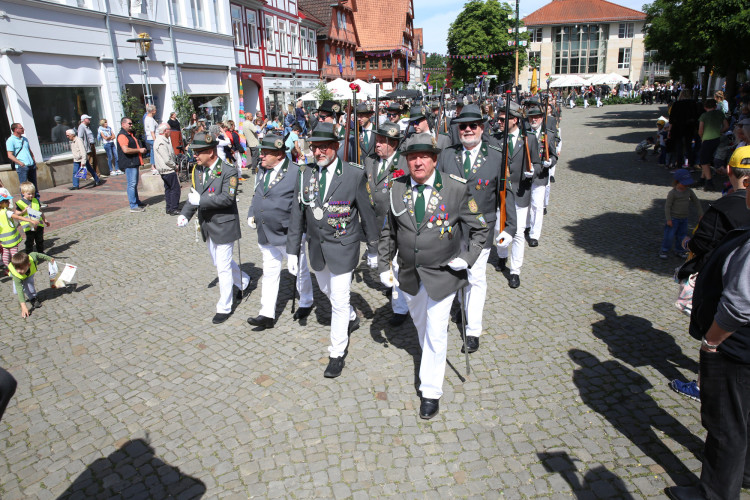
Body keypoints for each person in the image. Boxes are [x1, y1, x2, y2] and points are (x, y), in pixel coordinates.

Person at [378, 133, 489, 419]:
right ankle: (430, 358)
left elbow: (480, 229)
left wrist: (466, 259)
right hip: (409, 276)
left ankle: (430, 391)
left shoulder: (455, 188)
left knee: (437, 332)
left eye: (424, 156)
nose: (418, 162)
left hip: (443, 275)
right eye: (413, 157)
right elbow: (389, 230)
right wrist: (382, 265)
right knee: (422, 326)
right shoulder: (396, 188)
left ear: (435, 159)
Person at [664, 161, 750, 500]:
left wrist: (712, 341)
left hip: (735, 346)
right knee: (742, 418)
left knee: (725, 425)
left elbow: (740, 304)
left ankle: (713, 494)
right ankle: (743, 472)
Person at [285, 123, 378, 379]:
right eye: (315, 147)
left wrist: (373, 247)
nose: (319, 152)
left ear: (336, 146)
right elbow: (297, 215)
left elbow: (368, 215)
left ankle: (336, 353)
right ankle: (350, 315)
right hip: (316, 247)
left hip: (343, 245)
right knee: (326, 290)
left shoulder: (353, 174)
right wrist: (292, 251)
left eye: (324, 146)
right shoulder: (305, 175)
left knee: (338, 298)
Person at [670, 147, 750, 401]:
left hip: (726, 290)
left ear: (729, 170)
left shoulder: (725, 207)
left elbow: (702, 243)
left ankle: (703, 386)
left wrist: (687, 245)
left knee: (715, 341)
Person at [438, 105, 515, 353]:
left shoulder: (496, 155)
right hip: (450, 228)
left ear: (482, 128)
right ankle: (461, 306)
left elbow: (507, 193)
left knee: (476, 277)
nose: (468, 130)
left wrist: (510, 227)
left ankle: (473, 331)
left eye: (473, 126)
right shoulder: (447, 155)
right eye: (463, 126)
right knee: (455, 274)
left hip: (481, 228)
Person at [177, 131, 250, 323]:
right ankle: (243, 280)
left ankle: (224, 307)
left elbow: (227, 197)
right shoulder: (198, 170)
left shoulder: (228, 170)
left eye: (198, 152)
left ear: (210, 152)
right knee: (218, 262)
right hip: (207, 224)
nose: (195, 156)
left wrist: (201, 200)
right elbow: (194, 195)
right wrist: (185, 214)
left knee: (223, 267)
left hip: (225, 223)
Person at [246, 135, 314, 329]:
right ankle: (266, 313)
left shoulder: (296, 172)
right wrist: (252, 213)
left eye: (266, 153)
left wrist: (301, 230)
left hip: (288, 233)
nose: (261, 156)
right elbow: (256, 194)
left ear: (278, 154)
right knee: (269, 273)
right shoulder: (262, 170)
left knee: (299, 270)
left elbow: (302, 204)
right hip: (266, 232)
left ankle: (306, 301)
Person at [362, 122, 410, 325]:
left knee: (397, 264)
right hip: (375, 221)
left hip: (397, 222)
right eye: (377, 140)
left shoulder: (404, 163)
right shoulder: (370, 160)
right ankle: (392, 286)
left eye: (382, 141)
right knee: (384, 261)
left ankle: (400, 309)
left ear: (394, 143)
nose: (377, 144)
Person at [493, 102, 541, 289]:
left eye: (503, 119)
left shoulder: (528, 139)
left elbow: (536, 163)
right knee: (499, 228)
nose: (499, 122)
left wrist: (533, 171)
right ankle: (502, 256)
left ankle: (515, 271)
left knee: (519, 232)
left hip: (520, 191)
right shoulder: (495, 139)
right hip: (501, 192)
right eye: (498, 119)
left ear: (515, 120)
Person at [526, 105, 557, 247]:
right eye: (531, 117)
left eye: (537, 117)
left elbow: (554, 155)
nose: (534, 119)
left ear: (542, 118)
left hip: (541, 176)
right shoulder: (523, 133)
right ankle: (526, 226)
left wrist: (550, 161)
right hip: (525, 175)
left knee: (537, 206)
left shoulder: (548, 134)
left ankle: (534, 234)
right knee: (524, 205)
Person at [660, 169, 703, 259]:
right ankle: (664, 250)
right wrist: (668, 219)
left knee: (682, 236)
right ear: (677, 182)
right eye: (684, 183)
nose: (686, 185)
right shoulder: (673, 193)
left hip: (684, 218)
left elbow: (696, 202)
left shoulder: (689, 191)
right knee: (669, 236)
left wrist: (700, 213)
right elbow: (667, 206)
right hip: (673, 218)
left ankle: (679, 250)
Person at [8, 250, 54, 318]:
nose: (18, 271)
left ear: (28, 265)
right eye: (16, 268)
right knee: (17, 291)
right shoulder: (17, 273)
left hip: (29, 275)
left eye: (21, 269)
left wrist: (49, 258)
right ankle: (24, 287)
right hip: (18, 278)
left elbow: (38, 254)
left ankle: (33, 298)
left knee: (29, 285)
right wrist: (23, 307)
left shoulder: (32, 257)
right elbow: (19, 288)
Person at [0, 188, 39, 268]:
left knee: (5, 254)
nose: (8, 202)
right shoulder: (7, 212)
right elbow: (18, 217)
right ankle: (17, 267)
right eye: (6, 201)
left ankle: (7, 268)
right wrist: (30, 220)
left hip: (3, 240)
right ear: (1, 204)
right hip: (12, 238)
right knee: (14, 254)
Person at [697, 99, 730, 191]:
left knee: (703, 161)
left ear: (705, 107)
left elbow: (700, 130)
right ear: (715, 106)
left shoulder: (704, 116)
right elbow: (726, 126)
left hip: (707, 139)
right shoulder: (720, 114)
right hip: (717, 138)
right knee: (706, 160)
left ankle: (709, 181)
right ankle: (702, 179)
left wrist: (702, 138)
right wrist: (719, 132)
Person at [117, 117, 148, 213]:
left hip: (133, 162)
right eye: (129, 123)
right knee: (132, 184)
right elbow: (125, 150)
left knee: (134, 184)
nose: (131, 125)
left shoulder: (129, 134)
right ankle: (133, 205)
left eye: (131, 123)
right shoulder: (122, 135)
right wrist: (139, 150)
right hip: (129, 163)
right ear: (123, 124)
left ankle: (137, 202)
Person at [6, 123, 40, 201]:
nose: (23, 129)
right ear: (15, 130)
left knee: (33, 185)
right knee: (24, 186)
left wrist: (33, 159)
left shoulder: (25, 139)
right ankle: (25, 203)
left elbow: (29, 150)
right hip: (22, 167)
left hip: (31, 165)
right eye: (21, 128)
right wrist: (20, 163)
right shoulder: (11, 140)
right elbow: (10, 155)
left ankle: (37, 201)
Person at [154, 123, 180, 215]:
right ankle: (173, 208)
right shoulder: (161, 141)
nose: (171, 131)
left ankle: (169, 207)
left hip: (166, 169)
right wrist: (175, 166)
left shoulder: (164, 140)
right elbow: (167, 159)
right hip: (167, 169)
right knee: (175, 189)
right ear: (165, 131)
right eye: (169, 129)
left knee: (168, 189)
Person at [16, 181, 49, 253]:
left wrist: (45, 219)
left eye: (33, 193)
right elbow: (17, 214)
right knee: (30, 241)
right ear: (23, 193)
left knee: (40, 240)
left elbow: (40, 211)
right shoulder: (20, 203)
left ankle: (41, 252)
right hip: (28, 226)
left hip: (38, 224)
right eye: (29, 194)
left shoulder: (36, 200)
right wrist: (24, 211)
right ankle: (29, 254)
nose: (31, 195)